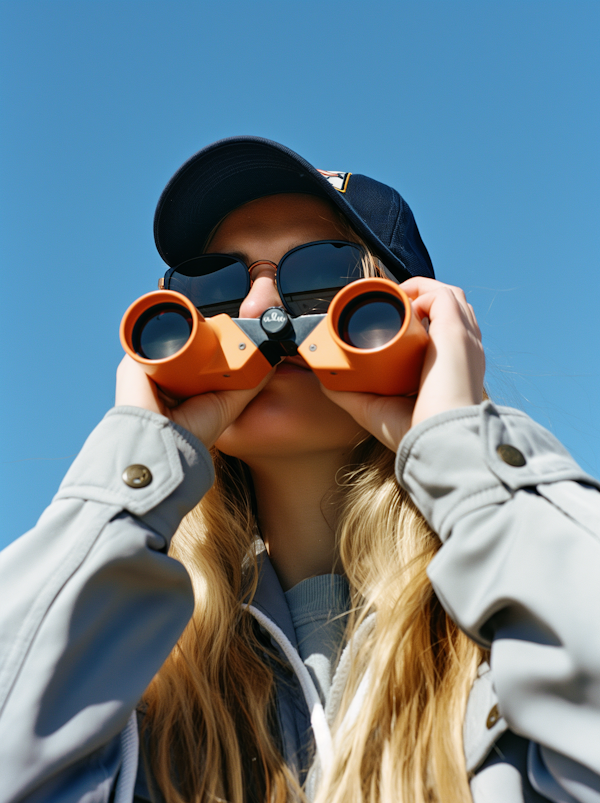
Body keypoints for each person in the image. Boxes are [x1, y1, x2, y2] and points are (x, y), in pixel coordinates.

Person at [1, 136, 599, 803]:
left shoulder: (502, 645)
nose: (258, 312)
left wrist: (466, 448)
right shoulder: (139, 686)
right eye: (215, 286)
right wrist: (128, 475)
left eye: (320, 273)